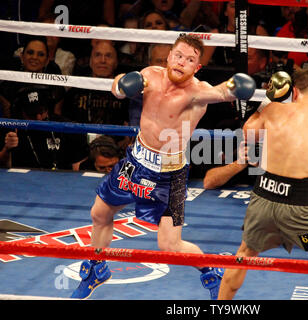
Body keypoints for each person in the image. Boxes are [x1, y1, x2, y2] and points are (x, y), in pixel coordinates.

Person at [70, 34, 256, 300]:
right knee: (100, 213)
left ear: (197, 67)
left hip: (170, 172)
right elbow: (116, 87)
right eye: (178, 56)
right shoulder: (150, 75)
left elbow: (222, 92)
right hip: (136, 159)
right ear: (169, 56)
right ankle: (97, 269)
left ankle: (211, 271)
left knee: (169, 244)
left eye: (190, 60)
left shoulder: (198, 92)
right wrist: (121, 86)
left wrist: (236, 87)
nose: (182, 62)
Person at [218, 69, 308, 300]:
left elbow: (249, 134)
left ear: (293, 92)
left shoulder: (274, 109)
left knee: (244, 255)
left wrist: (268, 100)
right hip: (302, 218)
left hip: (263, 204)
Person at [0, 87, 88, 170]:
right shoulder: (11, 128)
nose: (39, 118)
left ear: (47, 109)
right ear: (22, 112)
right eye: (32, 113)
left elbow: (78, 163)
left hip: (61, 180)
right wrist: (7, 149)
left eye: (42, 111)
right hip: (24, 181)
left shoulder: (64, 126)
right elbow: (3, 165)